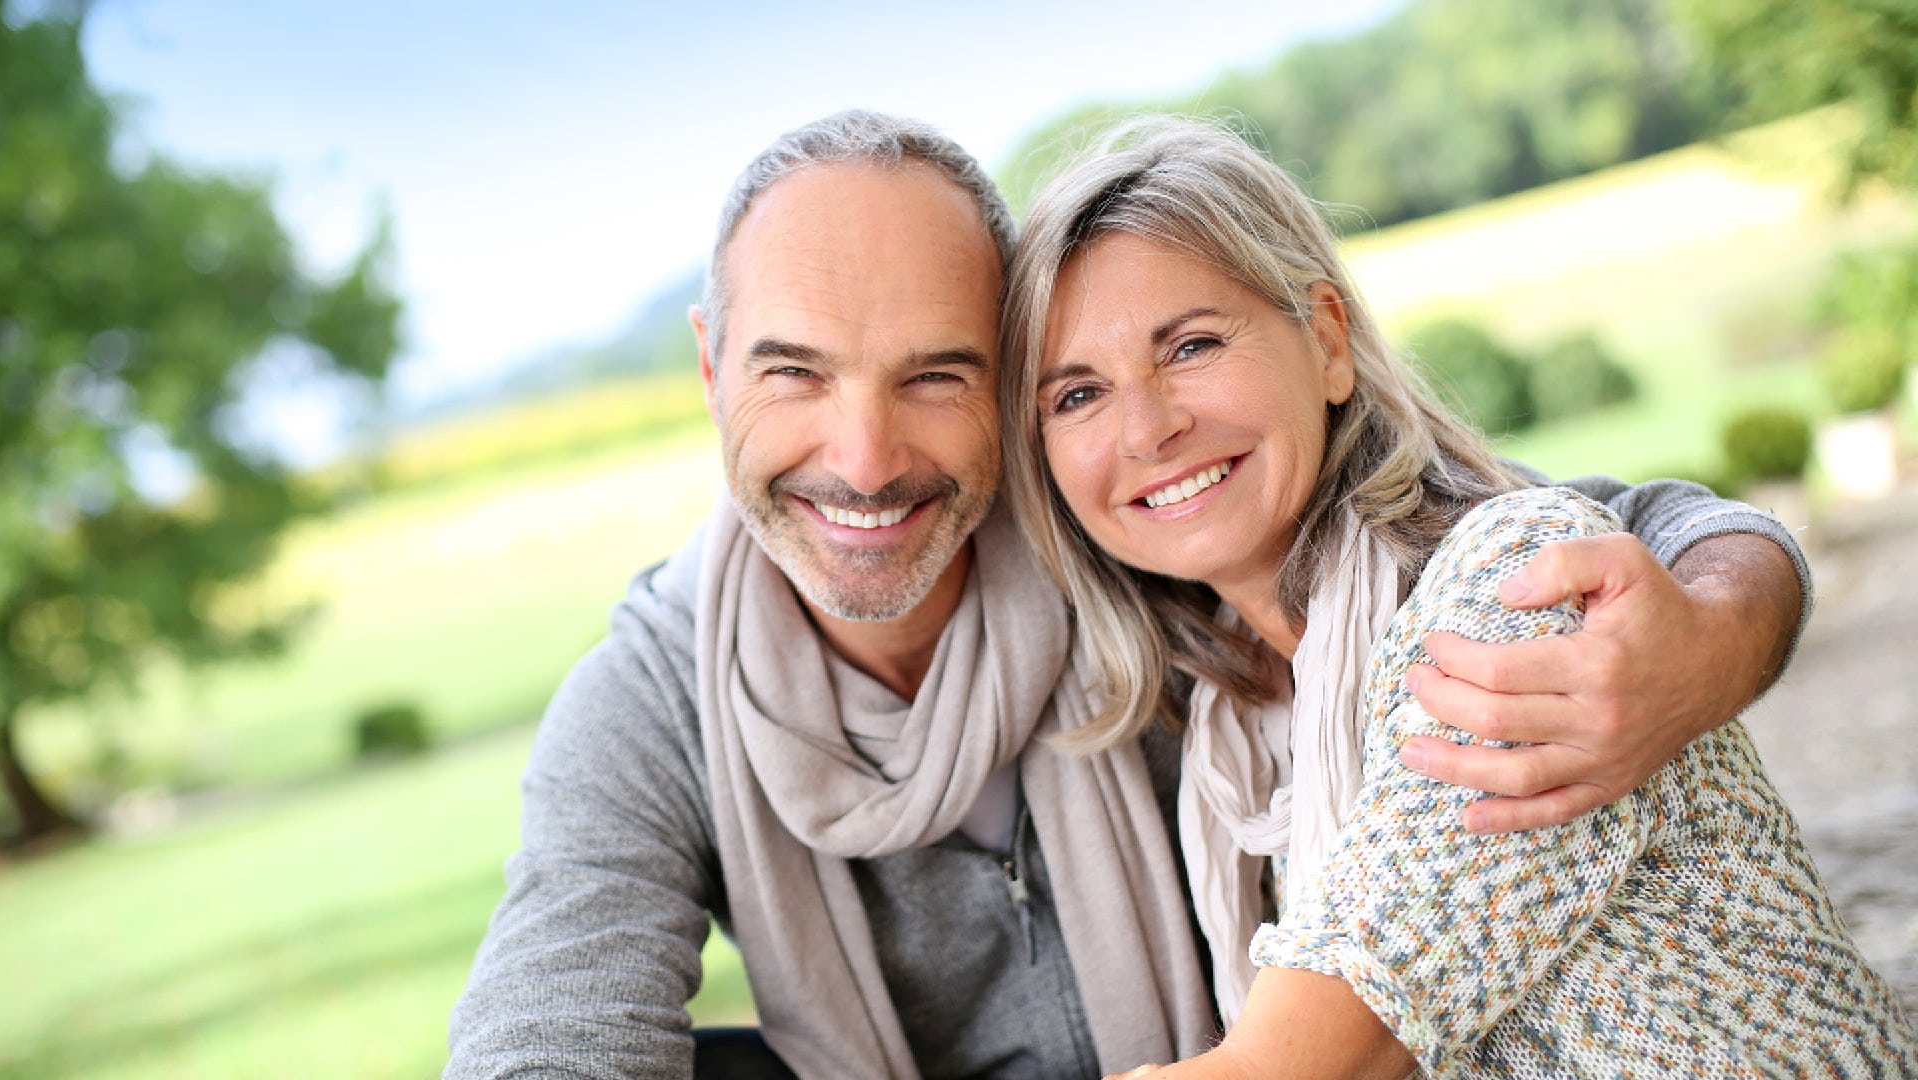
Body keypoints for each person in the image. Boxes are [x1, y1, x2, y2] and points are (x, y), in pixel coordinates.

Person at [445, 110, 1817, 1080]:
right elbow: (546, 1036)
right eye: (794, 372)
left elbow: (1599, 536)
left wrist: (1712, 631)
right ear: (708, 367)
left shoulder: (1126, 551)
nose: (864, 462)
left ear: (1002, 385)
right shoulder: (658, 699)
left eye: (936, 374)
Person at [998, 117, 1918, 1077]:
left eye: (1189, 346)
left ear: (1327, 344)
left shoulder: (1512, 597)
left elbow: (1298, 1060)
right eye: (1076, 396)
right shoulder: (1231, 718)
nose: (1147, 428)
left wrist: (1732, 612)